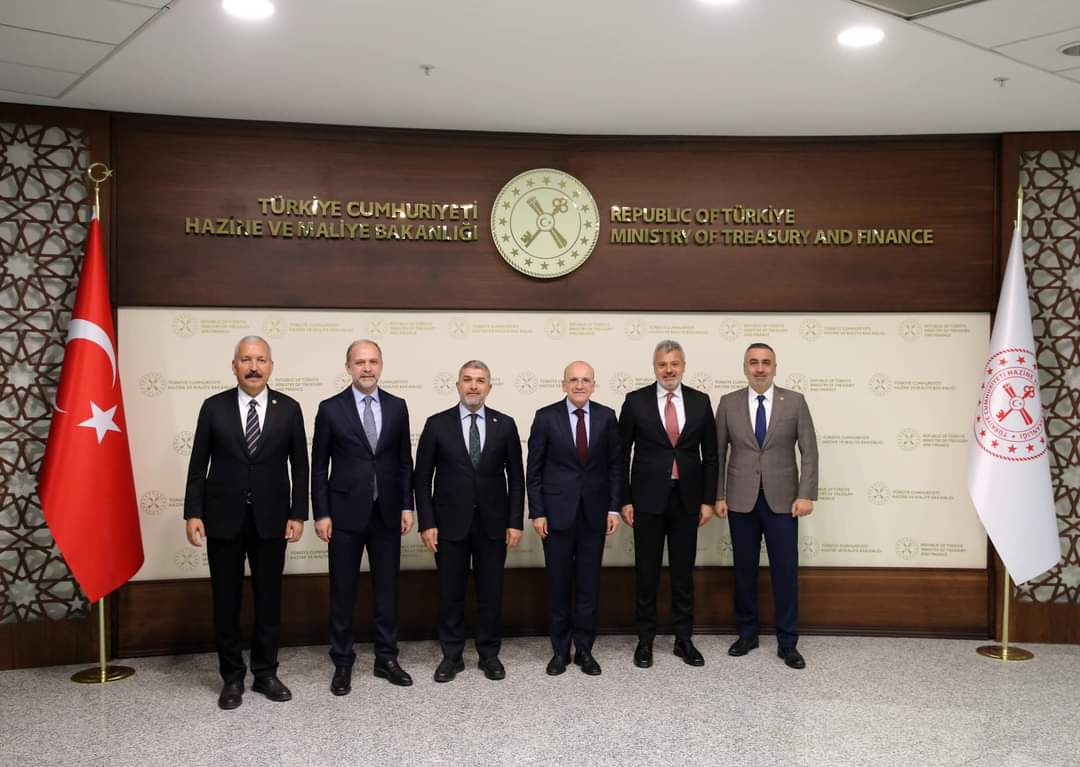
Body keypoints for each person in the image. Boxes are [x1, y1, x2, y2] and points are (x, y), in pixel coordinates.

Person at [183, 336, 308, 710]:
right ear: (234, 365)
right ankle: (232, 678)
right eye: (246, 360)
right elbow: (197, 465)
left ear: (271, 366)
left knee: (269, 601)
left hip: (272, 520)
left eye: (261, 360)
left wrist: (297, 513)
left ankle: (266, 673)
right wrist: (193, 513)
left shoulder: (289, 408)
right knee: (226, 602)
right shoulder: (213, 407)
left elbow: (300, 466)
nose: (254, 367)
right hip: (223, 520)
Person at [311, 339, 415, 695]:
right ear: (348, 367)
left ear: (381, 365)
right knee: (343, 591)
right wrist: (321, 513)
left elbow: (404, 462)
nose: (367, 368)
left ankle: (387, 658)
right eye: (359, 362)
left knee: (387, 590)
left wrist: (406, 505)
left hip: (387, 512)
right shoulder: (330, 409)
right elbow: (318, 466)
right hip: (343, 515)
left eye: (372, 361)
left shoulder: (398, 407)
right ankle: (342, 660)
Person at [415, 360, 525, 682]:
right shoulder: (437, 424)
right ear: (458, 385)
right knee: (451, 593)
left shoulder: (505, 424)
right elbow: (421, 479)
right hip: (449, 524)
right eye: (467, 380)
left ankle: (489, 654)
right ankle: (452, 656)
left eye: (480, 380)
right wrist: (427, 523)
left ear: (489, 387)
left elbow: (516, 478)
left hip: (494, 524)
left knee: (491, 593)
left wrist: (515, 521)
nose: (473, 386)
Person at [714, 343, 818, 669]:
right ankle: (747, 634)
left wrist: (806, 494)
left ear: (775, 367)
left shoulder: (795, 402)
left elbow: (809, 451)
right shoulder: (728, 403)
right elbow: (718, 453)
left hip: (784, 502)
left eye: (766, 363)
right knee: (744, 571)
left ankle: (788, 642)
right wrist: (718, 495)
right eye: (753, 362)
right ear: (745, 367)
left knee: (784, 572)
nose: (759, 368)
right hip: (740, 500)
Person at [618, 340, 718, 668]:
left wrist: (707, 500)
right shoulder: (635, 401)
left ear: (684, 366)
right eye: (663, 364)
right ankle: (645, 640)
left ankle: (683, 639)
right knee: (646, 573)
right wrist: (625, 499)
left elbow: (711, 455)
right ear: (654, 367)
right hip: (646, 500)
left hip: (687, 500)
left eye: (674, 363)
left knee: (682, 574)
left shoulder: (701, 401)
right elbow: (621, 455)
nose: (669, 370)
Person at [526, 361, 621, 676]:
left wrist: (613, 508)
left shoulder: (607, 417)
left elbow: (615, 466)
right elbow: (534, 470)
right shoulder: (545, 417)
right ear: (563, 384)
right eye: (574, 380)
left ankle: (584, 650)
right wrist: (538, 512)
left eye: (585, 380)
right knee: (559, 585)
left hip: (594, 514)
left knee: (588, 586)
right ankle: (559, 651)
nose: (579, 385)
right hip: (556, 516)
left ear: (594, 385)